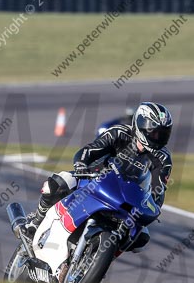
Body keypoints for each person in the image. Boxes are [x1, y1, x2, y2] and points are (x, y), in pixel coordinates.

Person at [25, 102, 174, 250]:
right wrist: (81, 165)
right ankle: (36, 220)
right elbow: (90, 150)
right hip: (95, 180)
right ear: (141, 126)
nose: (158, 137)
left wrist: (153, 207)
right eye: (154, 132)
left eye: (163, 133)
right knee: (60, 182)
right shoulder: (119, 133)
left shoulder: (163, 159)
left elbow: (158, 190)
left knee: (141, 238)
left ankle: (98, 261)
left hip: (127, 198)